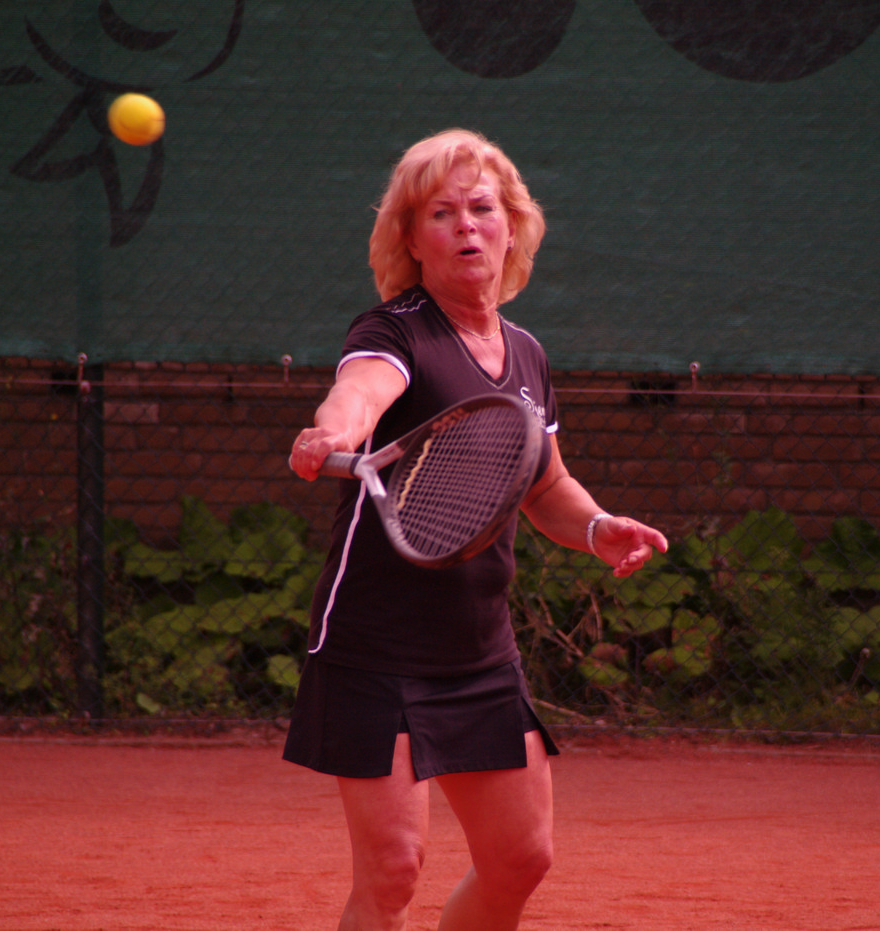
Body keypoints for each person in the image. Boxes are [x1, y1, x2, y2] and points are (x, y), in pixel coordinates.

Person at [283, 128, 668, 931]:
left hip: (477, 651)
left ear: (511, 226)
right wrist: (334, 431)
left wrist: (597, 526)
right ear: (411, 239)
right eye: (441, 213)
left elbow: (546, 485)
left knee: (520, 858)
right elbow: (360, 391)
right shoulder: (394, 331)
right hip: (374, 646)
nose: (466, 225)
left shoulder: (525, 355)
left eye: (482, 208)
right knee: (392, 872)